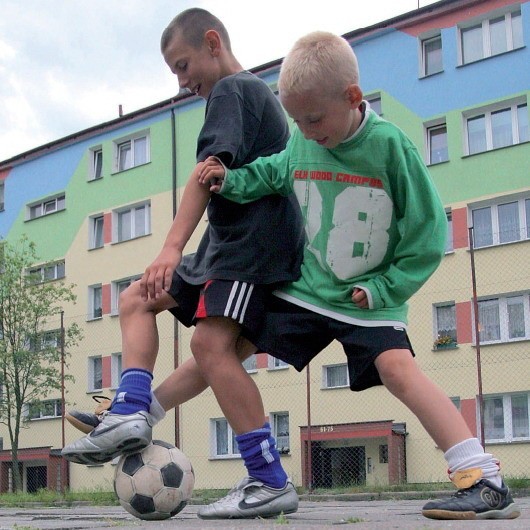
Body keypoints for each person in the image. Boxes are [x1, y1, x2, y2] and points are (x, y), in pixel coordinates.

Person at [197, 31, 521, 522]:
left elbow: (431, 234)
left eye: (314, 119)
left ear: (352, 97)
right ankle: (157, 424)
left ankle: (482, 479)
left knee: (398, 369)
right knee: (222, 346)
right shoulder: (304, 145)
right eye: (296, 120)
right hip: (308, 291)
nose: (305, 131)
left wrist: (384, 287)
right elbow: (269, 172)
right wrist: (230, 179)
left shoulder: (390, 148)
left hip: (369, 296)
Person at [62, 8, 302, 519]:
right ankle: (133, 411)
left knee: (209, 344)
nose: (180, 80)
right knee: (140, 303)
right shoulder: (247, 93)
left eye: (182, 64)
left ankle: (268, 479)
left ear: (213, 42)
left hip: (251, 248)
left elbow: (206, 174)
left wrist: (171, 248)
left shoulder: (233, 91)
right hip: (230, 245)